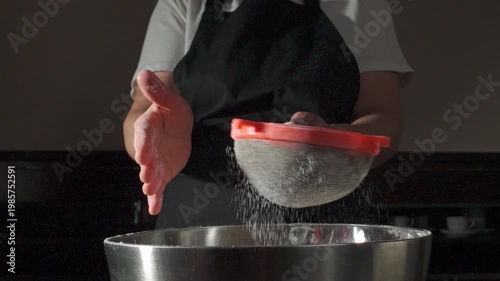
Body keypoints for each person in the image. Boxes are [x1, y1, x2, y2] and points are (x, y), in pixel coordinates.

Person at [123, 0, 414, 229]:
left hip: (326, 225)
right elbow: (142, 112)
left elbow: (384, 115)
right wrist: (156, 138)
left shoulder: (358, 3)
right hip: (199, 222)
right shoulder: (185, 4)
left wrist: (336, 141)